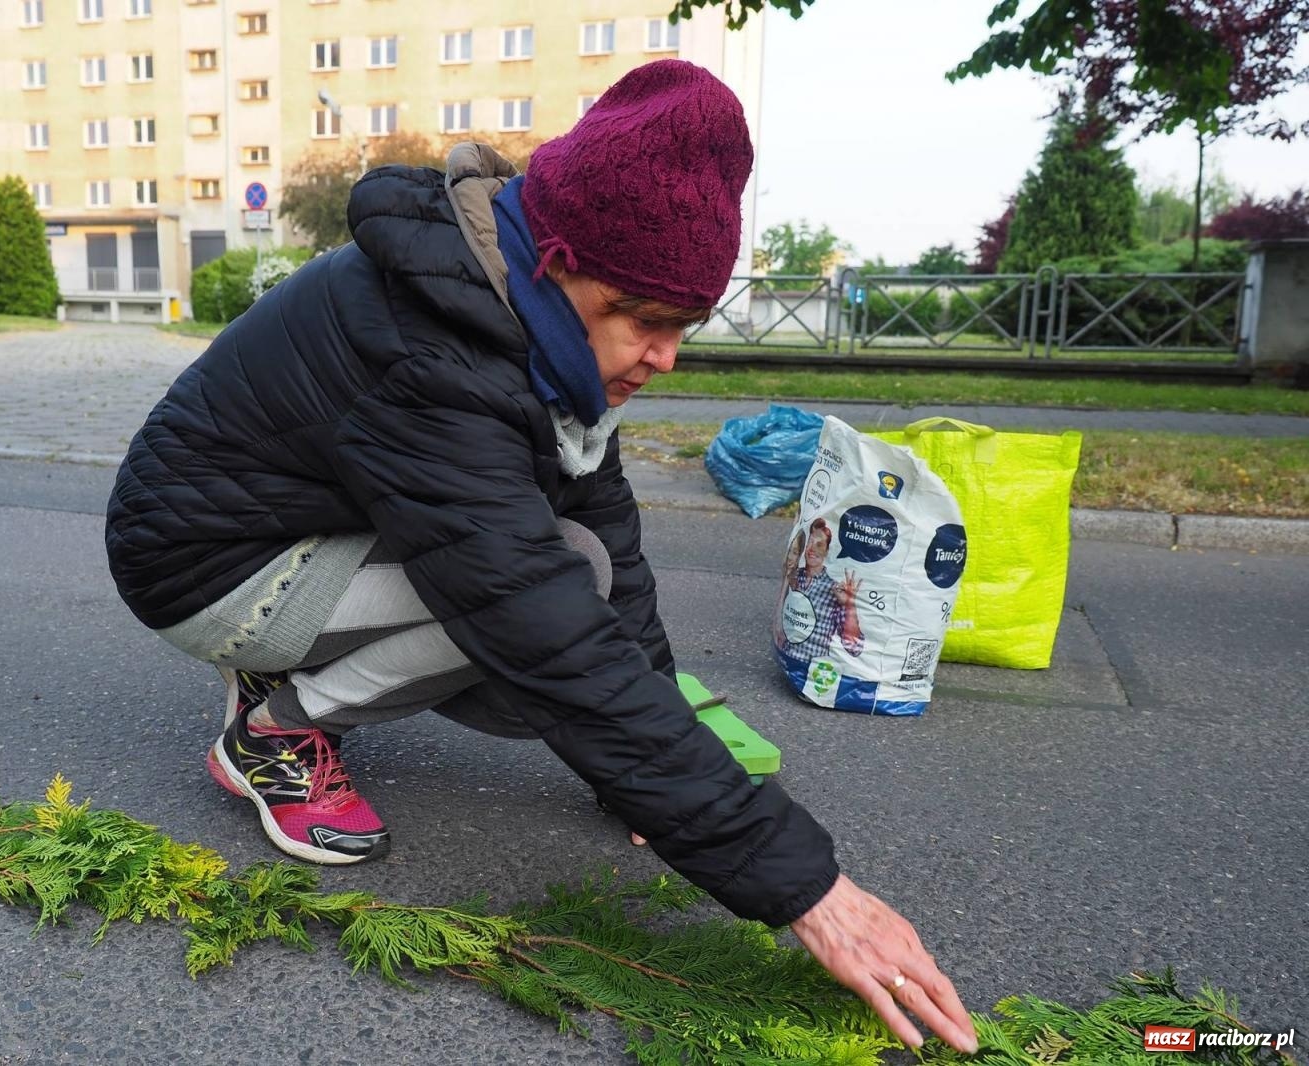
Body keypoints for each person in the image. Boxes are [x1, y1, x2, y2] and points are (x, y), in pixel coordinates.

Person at [105, 60, 978, 1055]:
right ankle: (271, 729)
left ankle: (294, 663)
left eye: (683, 326)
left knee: (577, 579)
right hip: (199, 566)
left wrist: (641, 776)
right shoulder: (433, 357)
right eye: (643, 319)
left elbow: (612, 551)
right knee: (534, 608)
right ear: (559, 259)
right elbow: (545, 624)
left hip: (296, 523)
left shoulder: (527, 327)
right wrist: (808, 891)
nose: (664, 355)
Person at [779, 517, 866, 665]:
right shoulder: (794, 576)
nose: (812, 549)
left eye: (819, 545)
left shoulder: (834, 589)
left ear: (827, 551)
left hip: (814, 670)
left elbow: (854, 647)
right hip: (787, 658)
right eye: (809, 544)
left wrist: (849, 605)